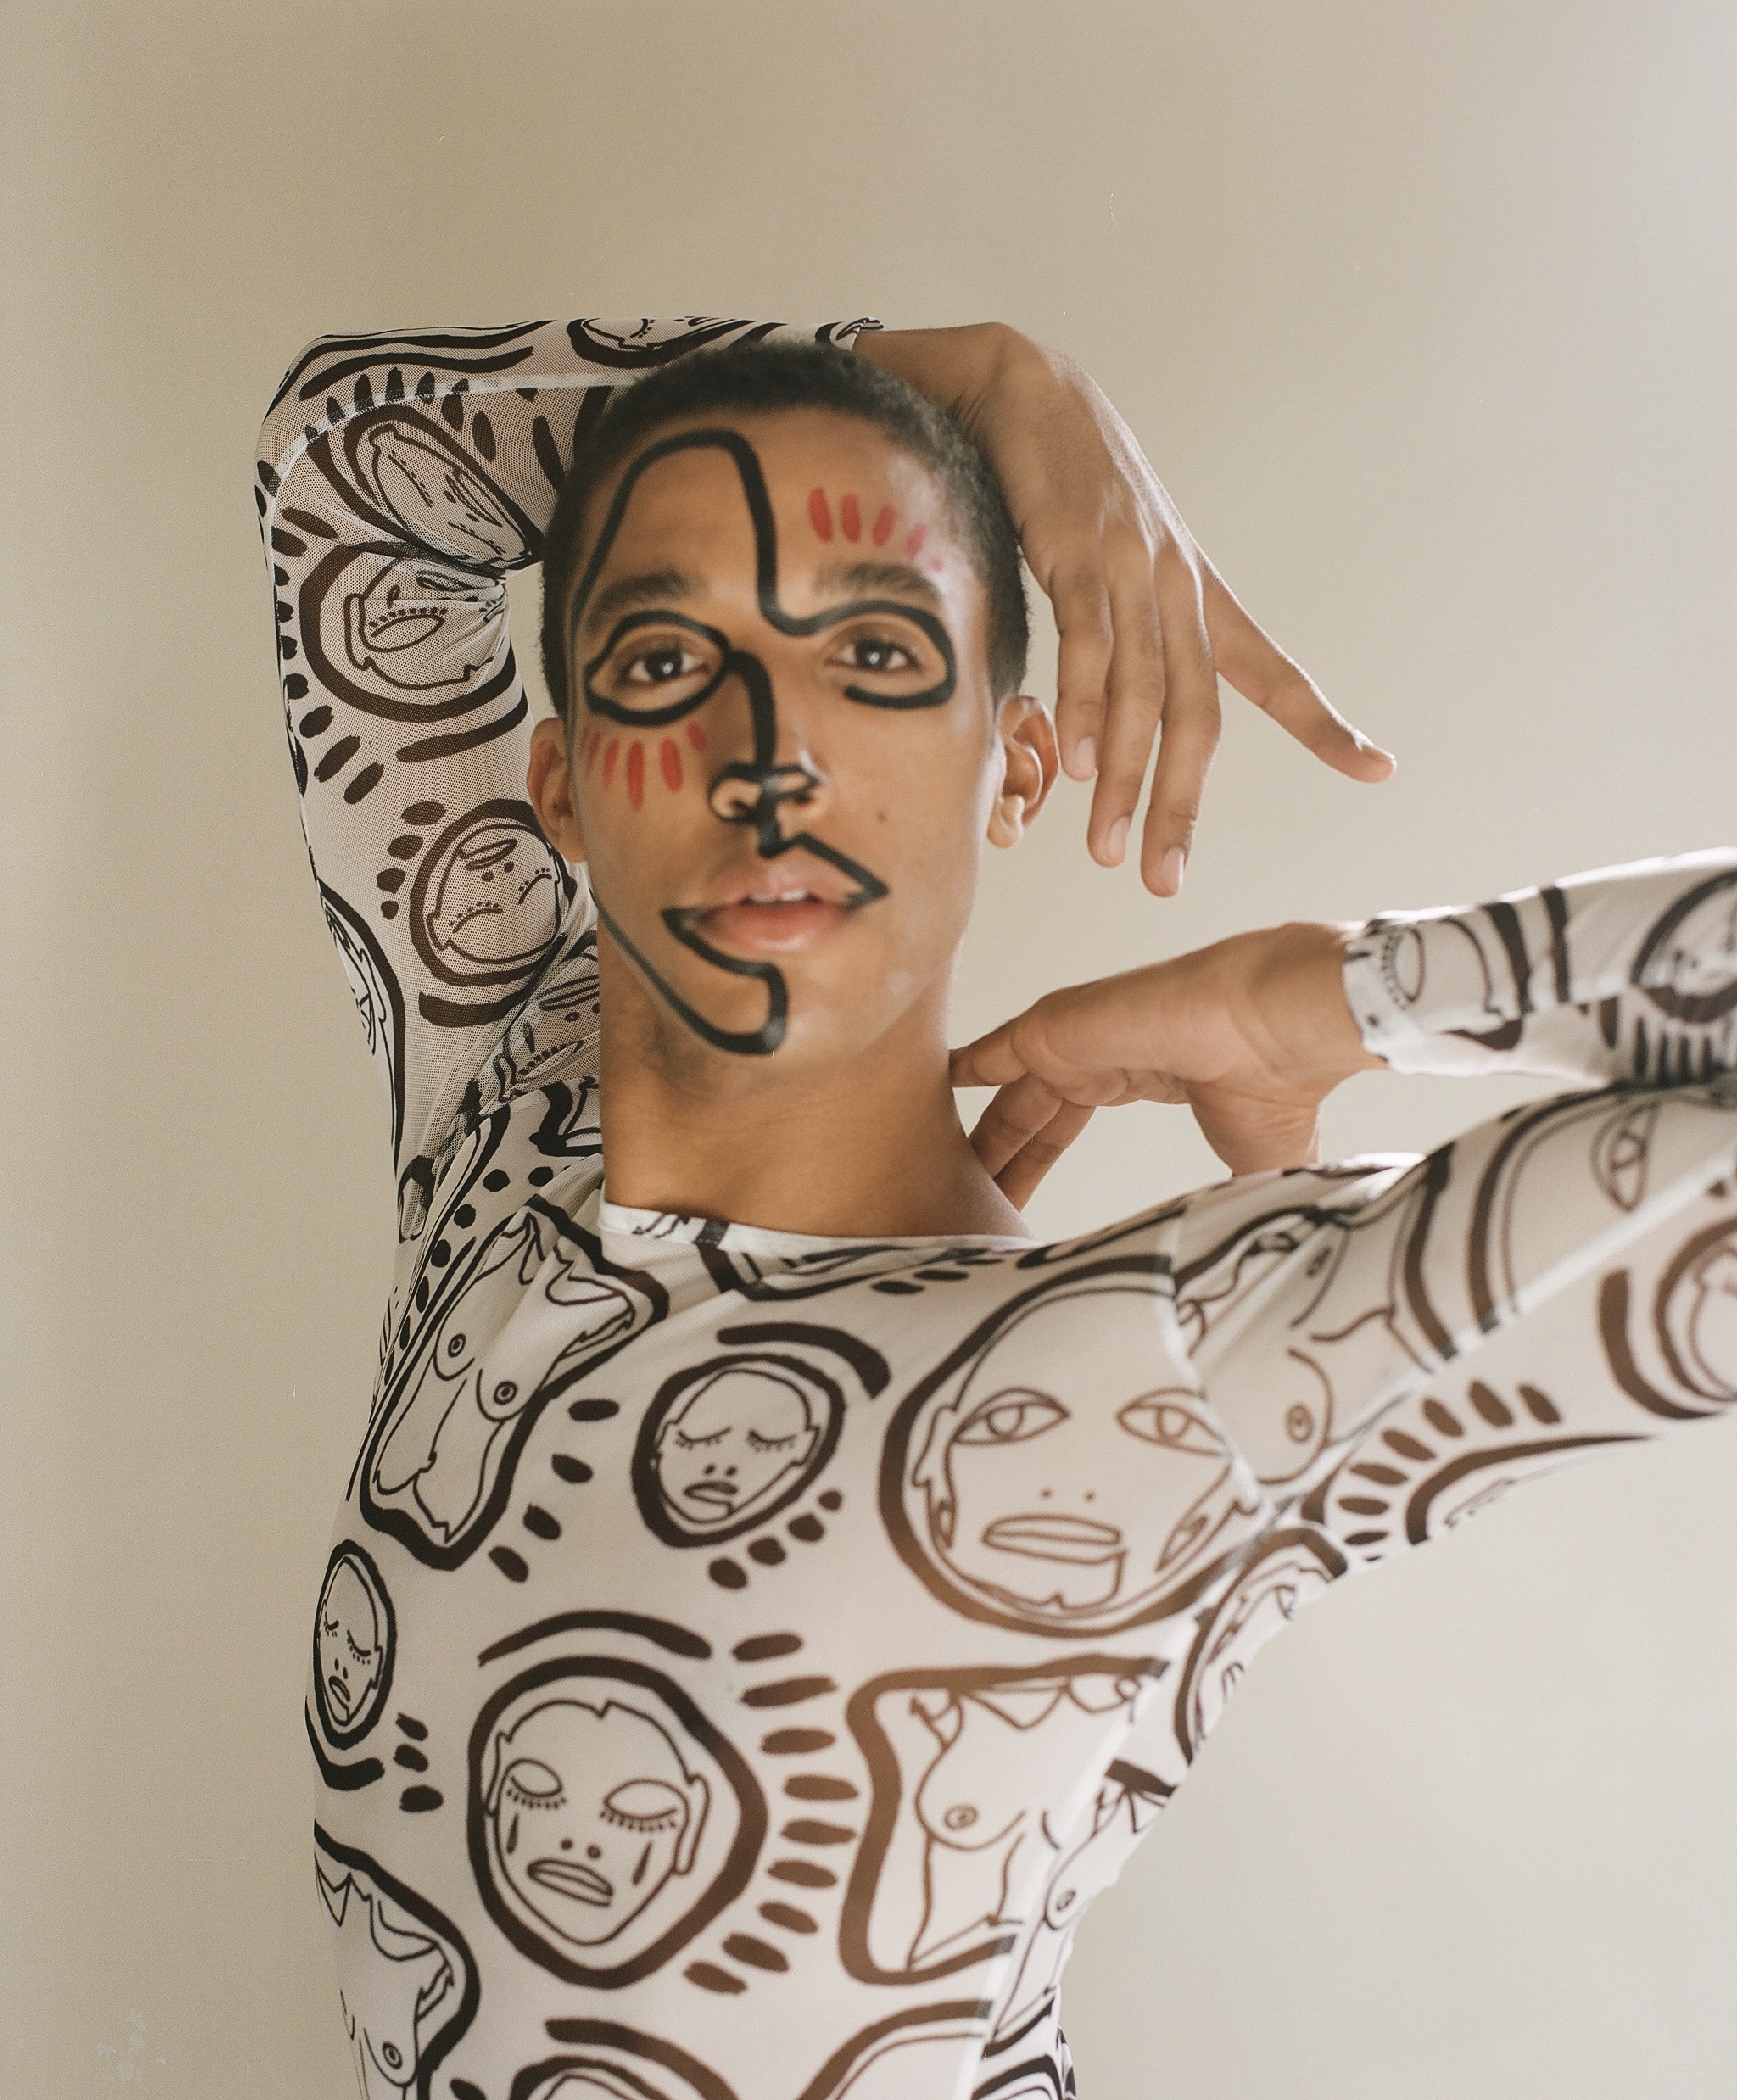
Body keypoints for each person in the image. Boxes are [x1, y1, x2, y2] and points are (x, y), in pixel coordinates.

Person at [258, 315, 1737, 2100]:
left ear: (1014, 766)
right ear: (562, 784)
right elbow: (345, 455)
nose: (768, 758)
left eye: (874, 653)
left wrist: (1345, 994)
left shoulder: (1158, 1363)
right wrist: (967, 379)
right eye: (666, 654)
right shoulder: (507, 1084)